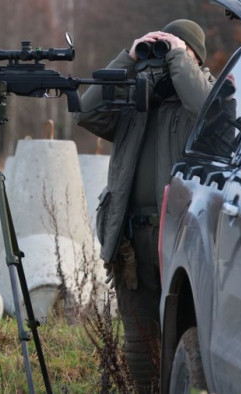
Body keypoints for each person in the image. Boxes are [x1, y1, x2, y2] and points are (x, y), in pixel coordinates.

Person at [76, 19, 214, 392]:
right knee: (139, 344)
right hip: (132, 241)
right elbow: (86, 113)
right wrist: (129, 56)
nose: (161, 61)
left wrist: (178, 59)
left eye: (172, 53)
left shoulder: (209, 94)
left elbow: (204, 109)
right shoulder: (135, 101)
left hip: (181, 238)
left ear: (193, 59)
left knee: (182, 333)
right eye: (158, 52)